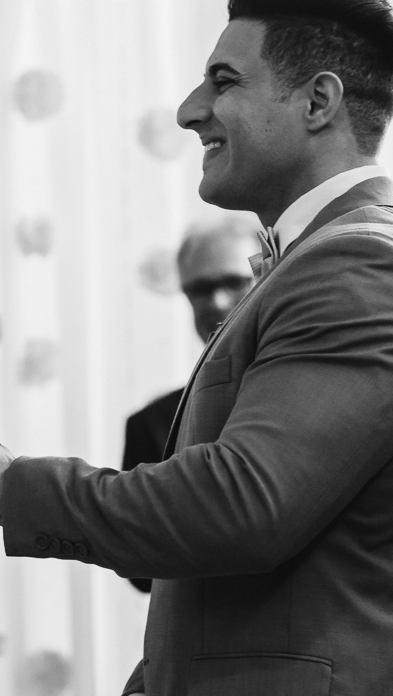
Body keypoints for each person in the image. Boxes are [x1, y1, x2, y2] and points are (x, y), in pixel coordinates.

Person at [0, 0, 393, 696]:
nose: (191, 110)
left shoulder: (368, 266)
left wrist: (11, 485)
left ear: (318, 101)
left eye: (223, 81)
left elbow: (240, 506)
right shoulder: (330, 258)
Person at [121, 217, 256, 593]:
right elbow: (138, 569)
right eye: (200, 289)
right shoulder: (150, 424)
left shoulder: (314, 390)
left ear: (269, 276)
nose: (217, 302)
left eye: (234, 282)